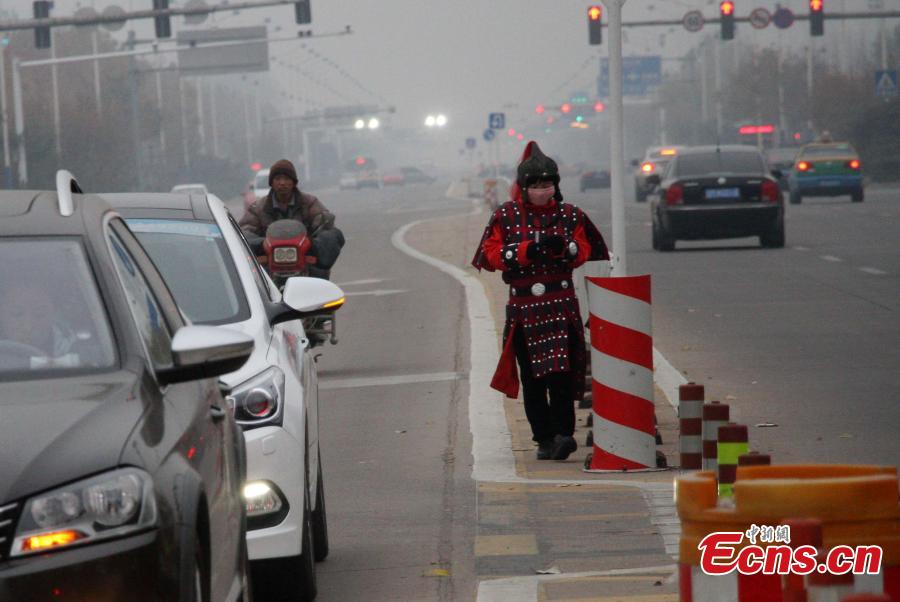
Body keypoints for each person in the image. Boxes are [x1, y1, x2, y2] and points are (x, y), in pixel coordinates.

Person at [472, 141, 609, 461]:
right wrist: (524, 251)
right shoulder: (505, 216)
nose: (542, 190)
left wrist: (565, 247)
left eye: (547, 184)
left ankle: (564, 434)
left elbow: (584, 250)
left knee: (561, 373)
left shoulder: (571, 214)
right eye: (535, 185)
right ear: (524, 187)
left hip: (560, 305)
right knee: (533, 378)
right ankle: (544, 439)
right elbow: (490, 255)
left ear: (556, 185)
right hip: (524, 310)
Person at [239, 158, 336, 241]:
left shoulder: (310, 203)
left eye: (286, 179)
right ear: (271, 183)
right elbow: (245, 231)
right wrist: (262, 244)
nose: (282, 183)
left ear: (294, 182)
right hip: (269, 255)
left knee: (334, 235)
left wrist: (313, 244)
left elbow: (324, 225)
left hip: (305, 253)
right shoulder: (259, 207)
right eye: (278, 179)